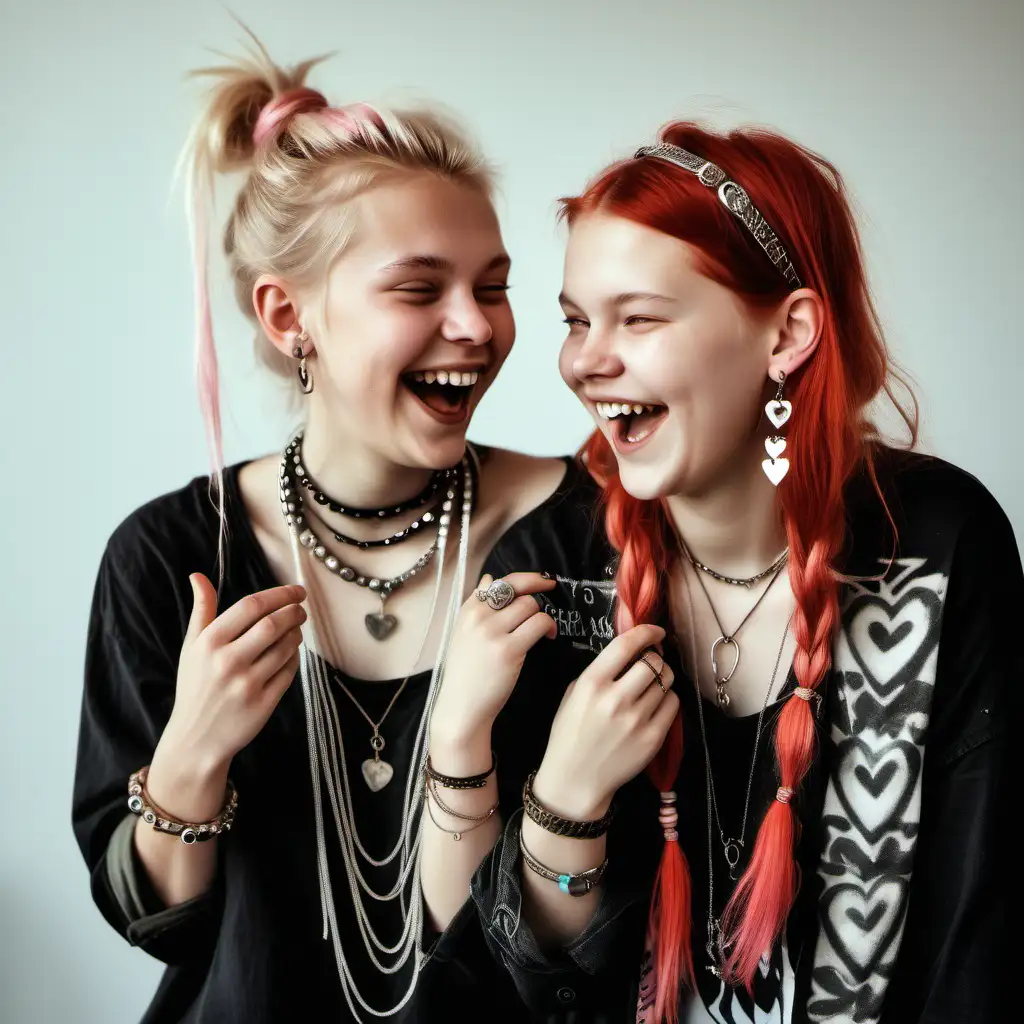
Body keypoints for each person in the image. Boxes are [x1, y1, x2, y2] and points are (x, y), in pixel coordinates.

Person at [71, 37, 595, 1023]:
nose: (478, 328)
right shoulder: (168, 557)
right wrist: (190, 755)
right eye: (418, 288)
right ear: (288, 316)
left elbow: (601, 923)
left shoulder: (585, 537)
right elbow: (156, 925)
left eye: (492, 285)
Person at [454, 122, 1021, 1022]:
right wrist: (563, 804)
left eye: (637, 317)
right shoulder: (551, 572)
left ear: (787, 331)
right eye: (574, 320)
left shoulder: (938, 544)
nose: (584, 362)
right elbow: (517, 992)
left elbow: (978, 943)